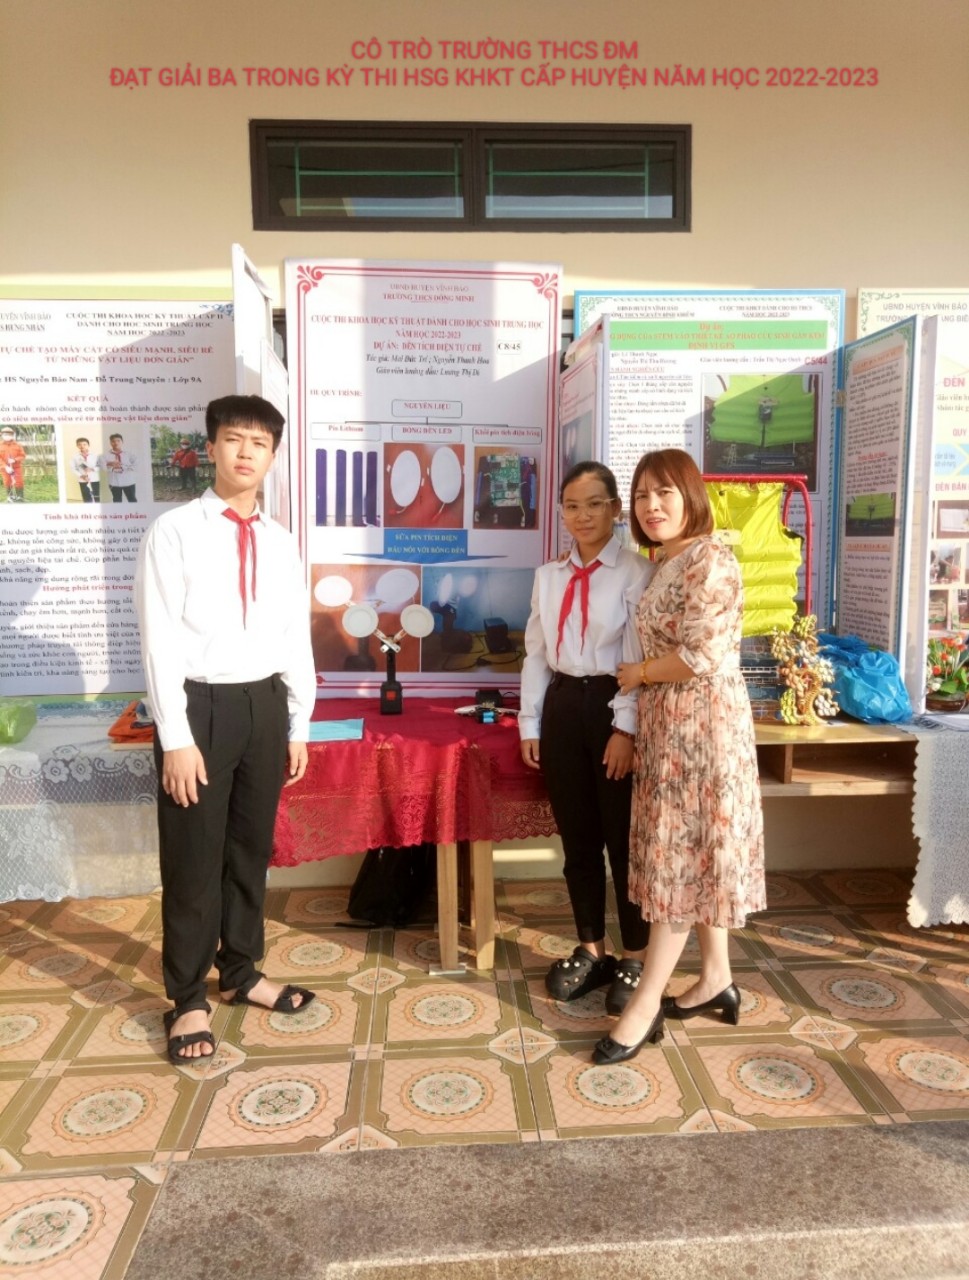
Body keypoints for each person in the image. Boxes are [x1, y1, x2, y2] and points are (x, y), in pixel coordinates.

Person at [135, 394, 316, 1065]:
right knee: (193, 859)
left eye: (259, 443)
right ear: (210, 448)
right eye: (234, 439)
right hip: (200, 709)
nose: (246, 452)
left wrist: (298, 720)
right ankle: (187, 997)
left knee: (248, 850)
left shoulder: (281, 540)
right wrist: (176, 736)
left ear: (273, 456)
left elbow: (294, 634)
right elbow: (158, 639)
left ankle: (240, 970)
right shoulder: (175, 531)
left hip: (264, 706)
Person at [593, 448, 765, 1064]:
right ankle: (716, 976)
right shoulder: (666, 560)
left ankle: (644, 1008)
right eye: (642, 495)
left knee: (678, 865)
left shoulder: (710, 559)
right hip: (671, 726)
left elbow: (702, 655)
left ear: (691, 496)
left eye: (664, 492)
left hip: (703, 731)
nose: (652, 505)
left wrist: (638, 673)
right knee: (696, 854)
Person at [520, 461, 654, 1015]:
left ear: (616, 509)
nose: (583, 516)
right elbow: (535, 652)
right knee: (577, 841)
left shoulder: (636, 572)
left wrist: (625, 727)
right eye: (572, 506)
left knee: (623, 840)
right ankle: (591, 948)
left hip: (611, 702)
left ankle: (635, 956)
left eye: (595, 504)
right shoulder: (549, 575)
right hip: (562, 706)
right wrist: (530, 722)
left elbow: (639, 657)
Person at [103, 432, 137, 502]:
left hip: (128, 482)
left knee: (132, 500)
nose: (116, 443)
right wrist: (112, 467)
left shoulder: (129, 453)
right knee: (117, 501)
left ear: (122, 442)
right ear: (110, 443)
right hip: (114, 482)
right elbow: (103, 467)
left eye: (118, 441)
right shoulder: (106, 455)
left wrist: (124, 467)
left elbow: (136, 464)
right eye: (113, 441)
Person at [0, 425, 26, 502]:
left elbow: (23, 456)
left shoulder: (18, 445)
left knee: (19, 482)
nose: (7, 436)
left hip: (16, 467)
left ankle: (20, 498)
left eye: (9, 434)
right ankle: (10, 498)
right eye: (5, 434)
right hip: (5, 469)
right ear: (2, 435)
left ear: (12, 435)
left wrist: (15, 460)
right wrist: (5, 467)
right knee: (7, 482)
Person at [71, 437, 100, 502]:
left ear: (88, 445)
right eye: (79, 444)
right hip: (83, 480)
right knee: (86, 497)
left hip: (94, 479)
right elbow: (73, 468)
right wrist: (81, 476)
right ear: (77, 446)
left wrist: (92, 469)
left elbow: (100, 465)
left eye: (84, 444)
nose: (82, 446)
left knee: (97, 497)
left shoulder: (95, 455)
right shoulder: (75, 456)